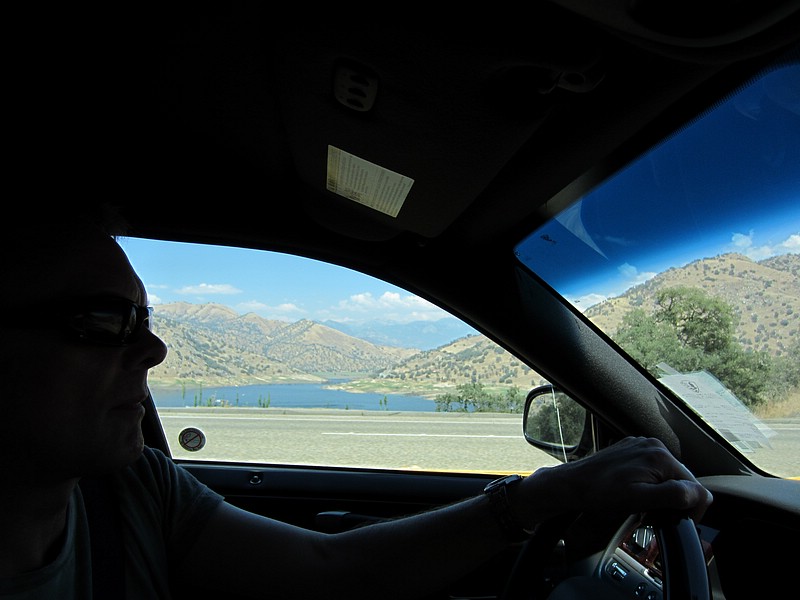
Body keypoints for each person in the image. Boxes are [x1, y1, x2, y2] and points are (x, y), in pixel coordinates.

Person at [0, 212, 713, 599]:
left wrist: (536, 499)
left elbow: (326, 570)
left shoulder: (133, 490)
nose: (154, 354)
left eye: (148, 322)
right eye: (102, 324)